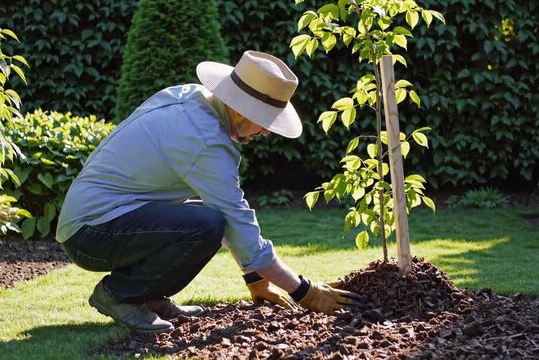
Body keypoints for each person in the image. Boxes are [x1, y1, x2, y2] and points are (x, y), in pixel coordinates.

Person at [55, 50, 363, 334]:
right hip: (91, 234)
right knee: (206, 226)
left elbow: (221, 210)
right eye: (264, 120)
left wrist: (255, 278)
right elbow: (235, 220)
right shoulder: (204, 139)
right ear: (239, 106)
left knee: (207, 219)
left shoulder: (191, 98)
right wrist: (306, 292)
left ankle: (149, 299)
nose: (267, 132)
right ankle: (120, 295)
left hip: (100, 223)